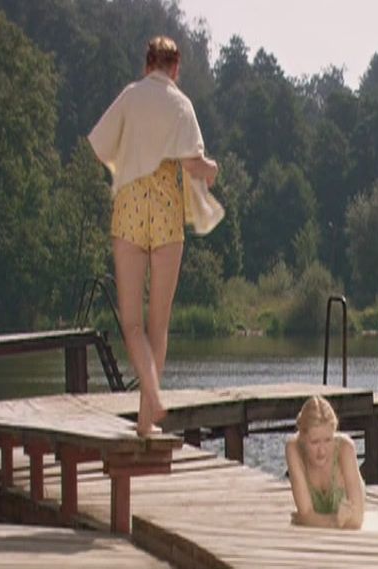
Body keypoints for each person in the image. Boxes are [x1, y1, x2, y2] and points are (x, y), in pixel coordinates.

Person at [88, 36, 219, 436]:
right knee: (157, 326)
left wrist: (128, 155)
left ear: (148, 65)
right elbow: (193, 164)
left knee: (131, 323)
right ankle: (147, 419)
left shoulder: (131, 96)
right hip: (165, 212)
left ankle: (152, 405)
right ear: (175, 68)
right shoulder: (181, 104)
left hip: (129, 208)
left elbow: (99, 146)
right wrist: (211, 169)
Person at [285, 395, 365, 529]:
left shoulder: (345, 449)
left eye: (328, 440)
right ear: (302, 437)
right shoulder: (294, 449)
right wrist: (335, 521)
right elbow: (306, 513)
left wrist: (310, 520)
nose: (322, 451)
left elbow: (357, 520)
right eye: (314, 442)